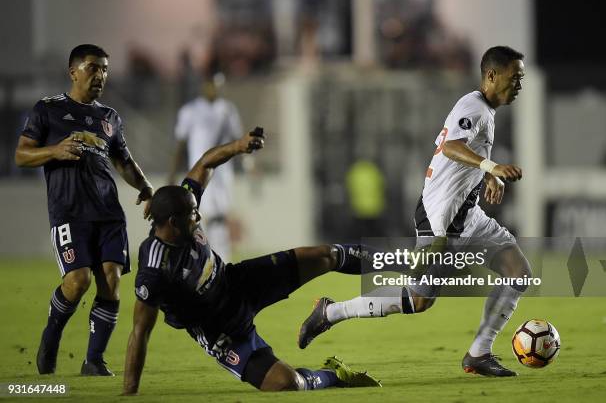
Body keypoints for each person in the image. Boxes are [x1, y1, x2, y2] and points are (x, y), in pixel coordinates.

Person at [299, 46, 530, 377]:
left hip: (469, 216)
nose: (519, 84)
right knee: (419, 299)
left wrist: (490, 175)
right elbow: (452, 147)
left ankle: (479, 353)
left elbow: (467, 152)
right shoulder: (473, 107)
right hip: (442, 220)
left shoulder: (485, 111)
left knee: (518, 272)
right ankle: (331, 312)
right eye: (515, 77)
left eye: (521, 78)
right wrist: (493, 166)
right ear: (492, 75)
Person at [123, 127, 381, 394]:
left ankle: (401, 261)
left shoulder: (181, 204)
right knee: (287, 383)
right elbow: (140, 331)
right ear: (173, 223)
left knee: (325, 255)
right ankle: (333, 375)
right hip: (219, 327)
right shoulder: (154, 271)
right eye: (193, 215)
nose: (199, 218)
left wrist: (239, 146)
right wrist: (129, 393)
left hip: (237, 282)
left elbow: (205, 163)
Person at [14, 44, 154, 376]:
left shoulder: (109, 118)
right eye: (93, 68)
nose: (101, 75)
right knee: (78, 281)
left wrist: (146, 188)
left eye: (105, 69)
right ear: (73, 71)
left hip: (108, 212)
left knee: (111, 280)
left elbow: (123, 161)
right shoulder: (47, 110)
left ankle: (94, 361)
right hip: (68, 212)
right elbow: (21, 155)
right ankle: (51, 337)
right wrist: (54, 150)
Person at [168, 74, 242, 261]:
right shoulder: (190, 110)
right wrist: (172, 173)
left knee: (220, 215)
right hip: (200, 172)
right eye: (212, 85)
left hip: (223, 173)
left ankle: (222, 258)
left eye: (219, 86)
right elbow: (180, 144)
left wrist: (248, 164)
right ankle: (201, 257)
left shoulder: (228, 110)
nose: (215, 89)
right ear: (204, 86)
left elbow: (237, 141)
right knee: (199, 214)